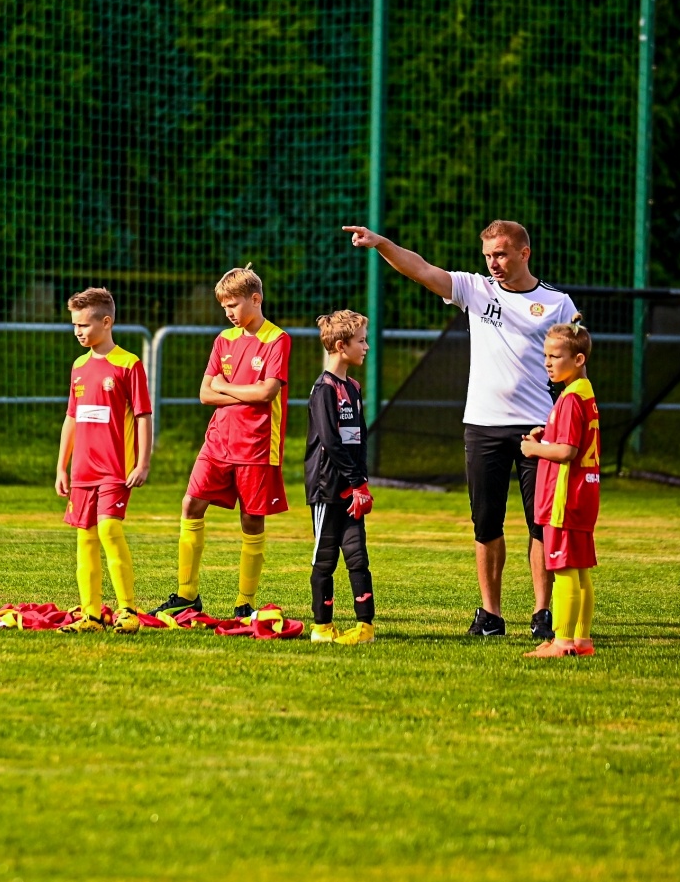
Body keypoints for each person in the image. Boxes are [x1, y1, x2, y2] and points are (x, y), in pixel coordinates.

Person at [343, 219, 578, 640]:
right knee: (486, 523)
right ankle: (491, 614)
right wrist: (381, 244)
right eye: (488, 255)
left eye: (502, 254)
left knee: (541, 524)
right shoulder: (475, 289)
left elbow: (575, 365)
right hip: (483, 426)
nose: (493, 264)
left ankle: (543, 612)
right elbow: (421, 269)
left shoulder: (557, 303)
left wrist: (568, 421)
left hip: (538, 430)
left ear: (524, 253)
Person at [152, 266, 291, 620]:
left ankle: (244, 603)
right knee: (191, 504)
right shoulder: (223, 340)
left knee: (252, 519)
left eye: (233, 304)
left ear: (255, 299)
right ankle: (186, 595)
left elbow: (267, 392)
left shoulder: (277, 339)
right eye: (224, 306)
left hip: (258, 446)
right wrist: (242, 394)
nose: (228, 312)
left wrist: (225, 387)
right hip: (217, 441)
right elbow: (203, 394)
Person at [53, 288, 154, 635]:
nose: (79, 331)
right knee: (85, 538)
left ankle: (128, 610)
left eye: (84, 324)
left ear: (106, 322)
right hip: (82, 471)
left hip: (115, 469)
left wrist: (141, 463)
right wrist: (61, 466)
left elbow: (143, 415)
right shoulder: (79, 366)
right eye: (74, 325)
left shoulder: (129, 364)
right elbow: (72, 417)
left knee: (109, 530)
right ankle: (91, 615)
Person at [519, 323, 600, 658]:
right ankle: (581, 640)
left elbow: (567, 451)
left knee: (564, 568)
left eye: (556, 356)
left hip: (564, 498)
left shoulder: (568, 400)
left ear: (578, 358)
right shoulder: (585, 392)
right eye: (545, 356)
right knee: (579, 570)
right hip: (585, 493)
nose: (548, 363)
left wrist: (534, 450)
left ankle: (563, 641)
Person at [306, 310, 376, 645]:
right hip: (328, 489)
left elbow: (358, 436)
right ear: (340, 345)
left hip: (351, 486)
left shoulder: (354, 387)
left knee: (357, 555)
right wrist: (352, 480)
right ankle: (322, 626)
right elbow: (331, 441)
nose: (367, 346)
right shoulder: (324, 389)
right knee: (325, 558)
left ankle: (365, 627)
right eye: (361, 340)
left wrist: (361, 482)